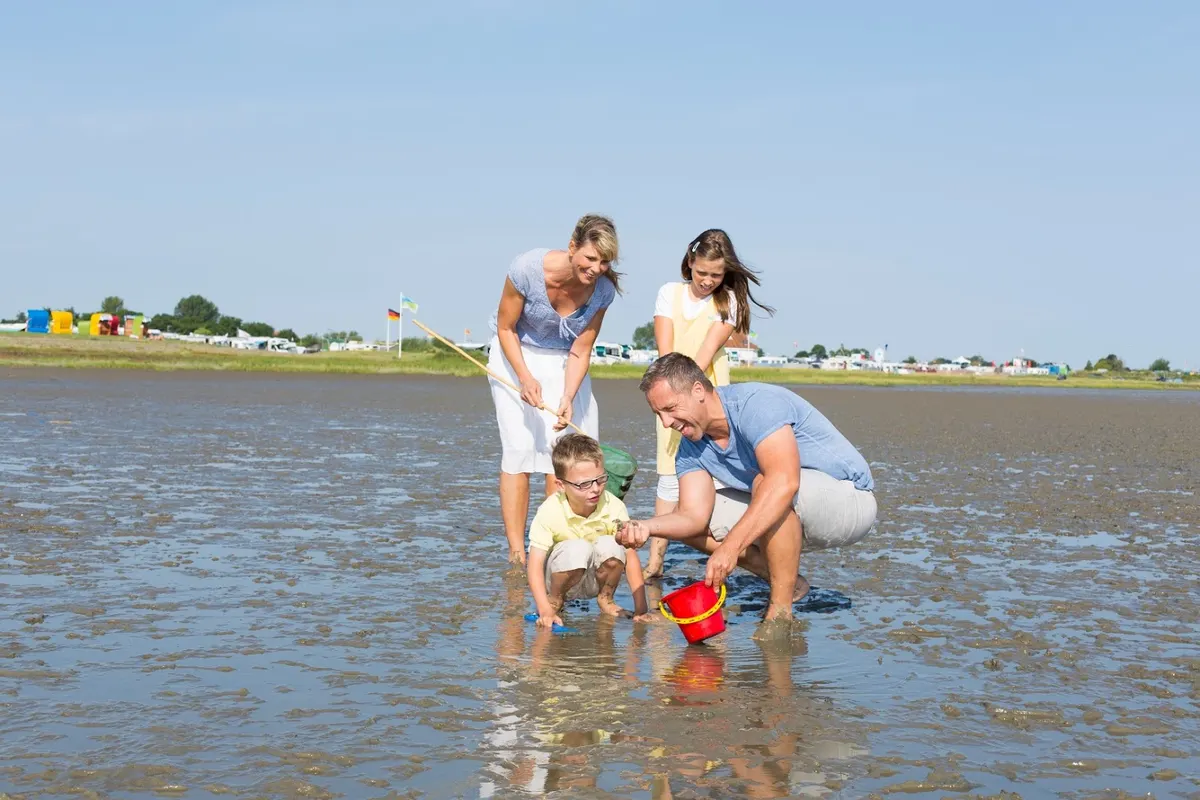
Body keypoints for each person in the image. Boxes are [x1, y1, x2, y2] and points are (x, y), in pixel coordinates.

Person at [616, 354, 876, 622]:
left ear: (698, 390)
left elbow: (784, 482)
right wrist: (646, 527)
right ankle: (788, 583)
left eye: (670, 408)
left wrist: (729, 548)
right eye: (658, 414)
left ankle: (779, 615)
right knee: (687, 525)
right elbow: (692, 517)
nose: (666, 422)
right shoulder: (690, 447)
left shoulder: (755, 404)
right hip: (790, 502)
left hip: (850, 500)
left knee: (768, 485)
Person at [488, 215, 621, 566]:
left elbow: (581, 348)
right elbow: (505, 328)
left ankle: (554, 548)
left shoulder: (603, 291)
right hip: (515, 354)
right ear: (572, 247)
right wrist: (525, 378)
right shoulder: (526, 269)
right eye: (590, 258)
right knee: (519, 451)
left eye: (604, 262)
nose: (596, 269)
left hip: (565, 362)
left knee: (561, 454)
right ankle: (518, 553)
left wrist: (567, 396)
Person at [644, 229, 774, 579]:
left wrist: (684, 394)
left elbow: (703, 356)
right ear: (690, 262)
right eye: (702, 272)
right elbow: (666, 354)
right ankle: (655, 561)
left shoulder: (727, 301)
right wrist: (671, 399)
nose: (707, 281)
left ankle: (737, 555)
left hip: (708, 393)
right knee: (669, 477)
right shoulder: (669, 293)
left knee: (717, 476)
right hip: (672, 393)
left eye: (716, 275)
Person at [527, 434, 651, 628]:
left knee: (613, 544)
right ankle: (555, 601)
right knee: (578, 548)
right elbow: (535, 564)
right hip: (559, 577)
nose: (595, 489)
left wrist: (641, 609)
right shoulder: (550, 511)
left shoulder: (613, 506)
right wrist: (543, 609)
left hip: (595, 577)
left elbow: (630, 555)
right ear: (561, 485)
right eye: (584, 484)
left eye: (600, 479)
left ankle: (606, 599)